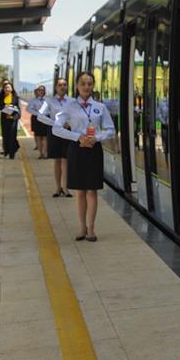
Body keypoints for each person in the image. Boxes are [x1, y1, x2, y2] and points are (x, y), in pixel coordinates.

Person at [52, 72, 114, 241]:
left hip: (94, 150)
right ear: (77, 86)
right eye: (83, 84)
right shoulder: (69, 107)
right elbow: (56, 128)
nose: (86, 87)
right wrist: (77, 137)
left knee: (92, 191)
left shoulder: (100, 107)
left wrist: (97, 138)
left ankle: (92, 229)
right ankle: (82, 228)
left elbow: (110, 130)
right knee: (80, 192)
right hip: (77, 149)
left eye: (89, 83)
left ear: (93, 85)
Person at [40, 78, 73, 197]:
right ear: (56, 87)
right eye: (60, 85)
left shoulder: (72, 101)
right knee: (57, 160)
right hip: (55, 132)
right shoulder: (49, 101)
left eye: (65, 84)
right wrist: (55, 122)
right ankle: (57, 188)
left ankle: (65, 188)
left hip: (68, 132)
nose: (62, 87)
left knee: (66, 160)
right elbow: (40, 116)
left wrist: (71, 123)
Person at [0, 81, 20, 159]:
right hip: (4, 118)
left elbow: (18, 107)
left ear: (11, 89)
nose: (7, 89)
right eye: (6, 88)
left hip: (13, 118)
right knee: (5, 135)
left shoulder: (15, 97)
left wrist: (18, 115)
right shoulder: (0, 97)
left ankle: (12, 153)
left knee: (12, 135)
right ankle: (6, 150)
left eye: (9, 87)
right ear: (3, 89)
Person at [27, 85, 51, 158]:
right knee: (38, 137)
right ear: (37, 91)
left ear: (44, 91)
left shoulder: (48, 100)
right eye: (39, 90)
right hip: (36, 119)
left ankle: (45, 153)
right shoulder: (33, 101)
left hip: (46, 118)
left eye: (42, 90)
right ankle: (41, 154)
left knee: (46, 137)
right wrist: (38, 114)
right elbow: (29, 109)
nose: (41, 91)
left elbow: (51, 109)